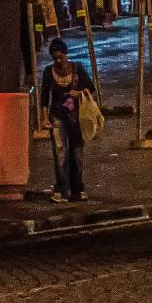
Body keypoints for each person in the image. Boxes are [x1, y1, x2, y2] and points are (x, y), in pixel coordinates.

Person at [39, 37, 96, 203]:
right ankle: (63, 188)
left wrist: (78, 93)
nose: (58, 61)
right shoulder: (49, 72)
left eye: (61, 57)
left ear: (66, 55)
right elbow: (44, 97)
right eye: (55, 58)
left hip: (76, 117)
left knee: (77, 153)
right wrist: (44, 118)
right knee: (60, 152)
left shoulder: (77, 69)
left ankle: (78, 186)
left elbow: (90, 88)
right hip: (57, 115)